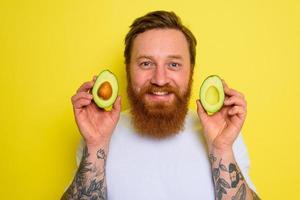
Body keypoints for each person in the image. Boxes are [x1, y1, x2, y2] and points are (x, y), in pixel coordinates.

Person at [61, 10, 261, 200]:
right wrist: (96, 145)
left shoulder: (221, 134)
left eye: (173, 64)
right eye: (146, 63)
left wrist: (221, 149)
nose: (160, 79)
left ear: (191, 71)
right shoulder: (100, 133)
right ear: (128, 69)